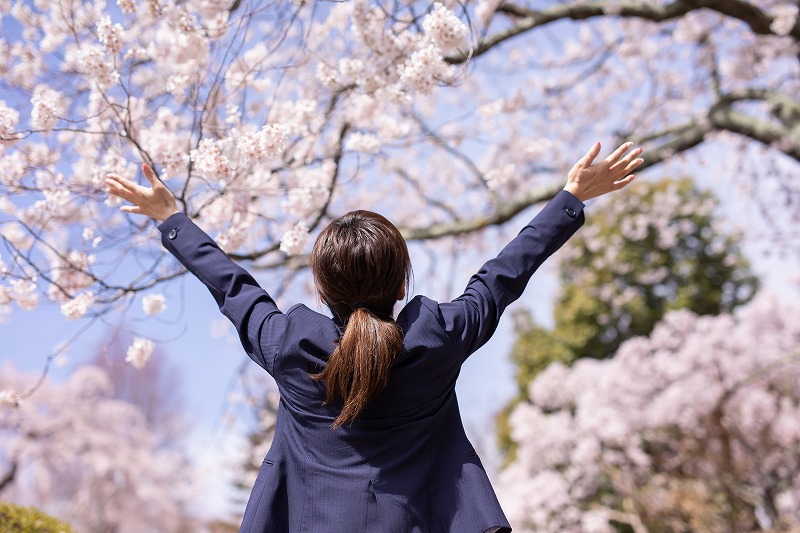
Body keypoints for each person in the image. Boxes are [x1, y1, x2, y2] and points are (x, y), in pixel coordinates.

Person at [105, 141, 643, 533]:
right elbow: (502, 276)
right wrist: (571, 197)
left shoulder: (288, 342)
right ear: (403, 280)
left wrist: (172, 219)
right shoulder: (437, 338)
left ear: (321, 288)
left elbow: (230, 285)